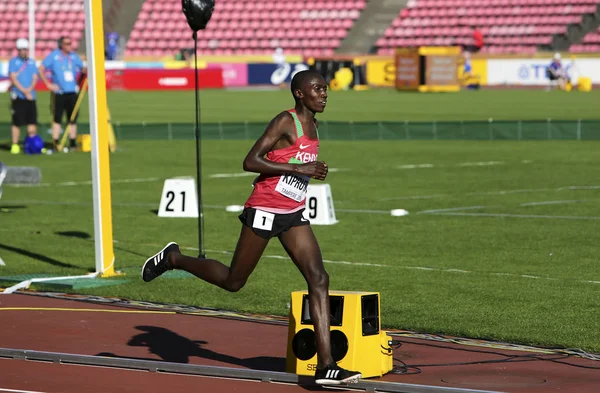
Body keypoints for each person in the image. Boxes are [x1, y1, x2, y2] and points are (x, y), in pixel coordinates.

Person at [141, 70, 362, 386]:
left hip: (293, 213)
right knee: (234, 282)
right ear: (299, 93)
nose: (324, 94)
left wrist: (311, 171)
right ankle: (174, 258)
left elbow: (297, 165)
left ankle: (327, 364)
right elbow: (250, 160)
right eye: (317, 89)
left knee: (319, 277)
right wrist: (299, 168)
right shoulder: (285, 121)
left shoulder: (315, 124)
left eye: (325, 89)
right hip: (264, 209)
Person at [38, 36, 86, 152]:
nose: (69, 46)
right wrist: (48, 84)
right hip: (59, 93)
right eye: (67, 43)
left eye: (70, 43)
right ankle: (56, 142)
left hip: (72, 92)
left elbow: (83, 69)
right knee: (57, 118)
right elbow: (41, 68)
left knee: (73, 118)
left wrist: (81, 79)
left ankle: (72, 142)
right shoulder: (54, 56)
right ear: (61, 45)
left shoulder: (73, 57)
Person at [8, 38, 39, 155]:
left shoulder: (31, 62)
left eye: (26, 49)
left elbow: (35, 77)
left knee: (32, 121)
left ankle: (30, 143)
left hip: (31, 96)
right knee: (17, 122)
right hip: (19, 96)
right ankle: (15, 144)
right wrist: (24, 91)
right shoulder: (13, 62)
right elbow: (13, 78)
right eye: (22, 49)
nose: (24, 52)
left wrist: (30, 90)